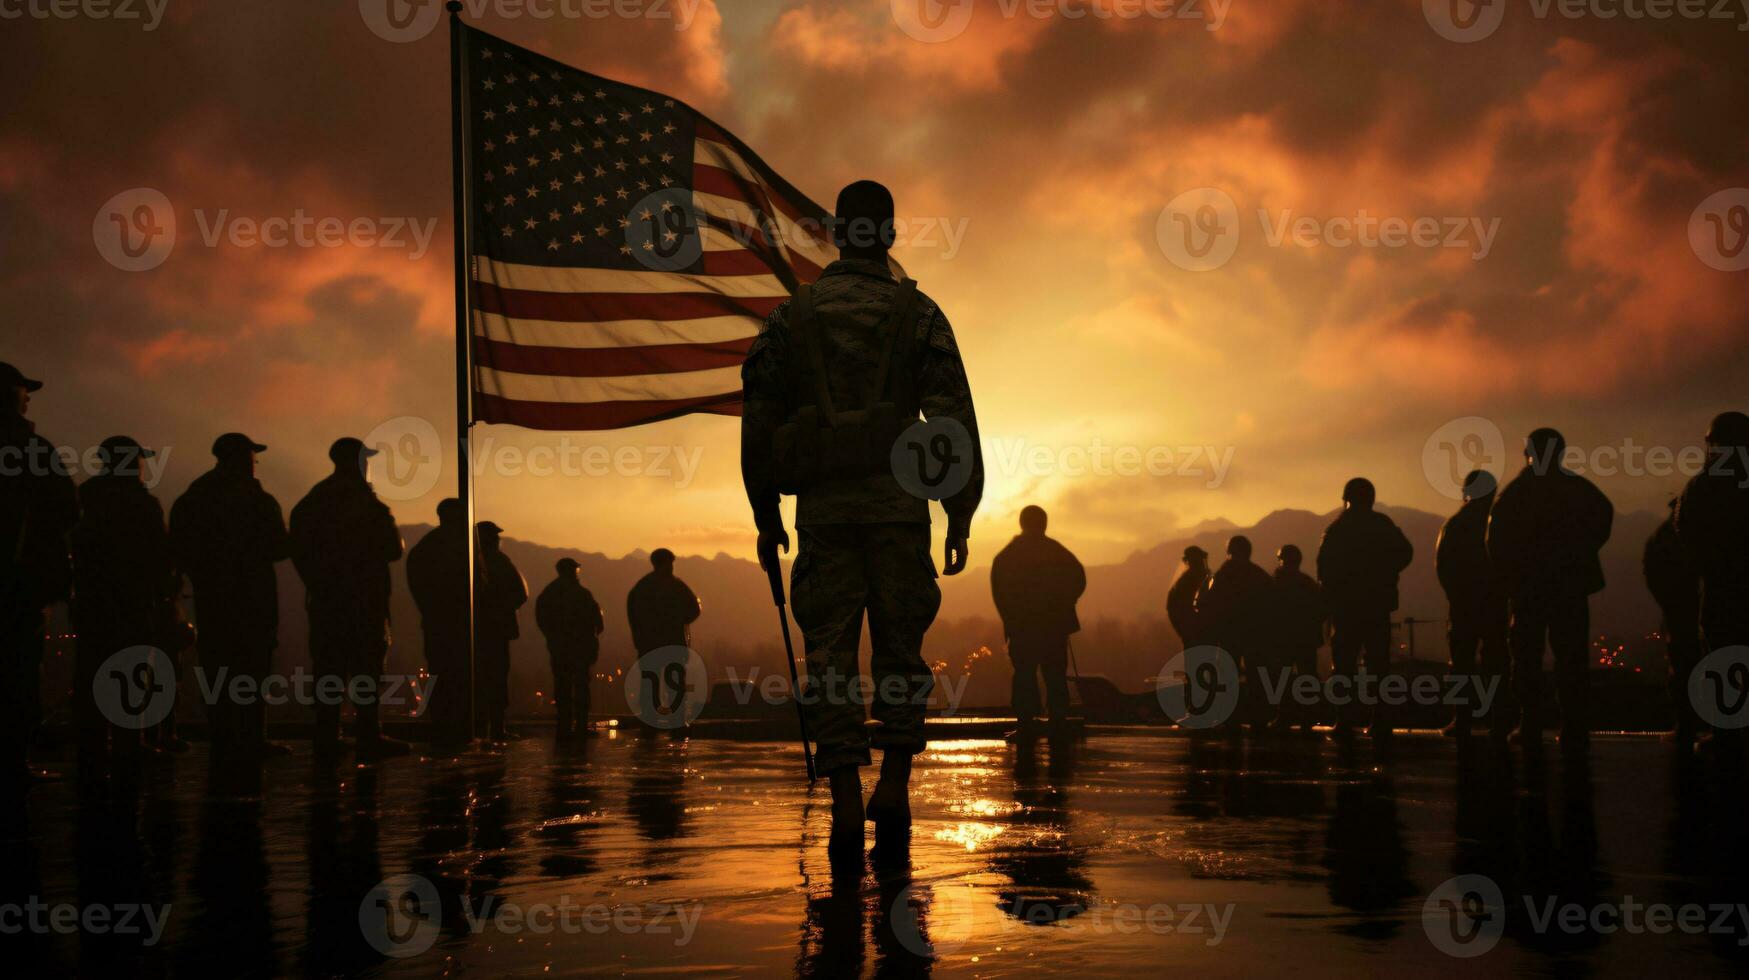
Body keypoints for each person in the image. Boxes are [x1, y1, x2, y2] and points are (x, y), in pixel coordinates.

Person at [740, 179, 983, 855]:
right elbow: (953, 419)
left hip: (823, 513)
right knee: (901, 652)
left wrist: (765, 514)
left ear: (839, 234)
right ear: (890, 236)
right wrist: (959, 513)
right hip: (900, 513)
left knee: (828, 657)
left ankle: (845, 799)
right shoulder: (919, 312)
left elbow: (757, 424)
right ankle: (894, 789)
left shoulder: (794, 317)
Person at [168, 432, 289, 778]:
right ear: (243, 459)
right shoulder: (257, 499)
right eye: (253, 457)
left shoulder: (195, 497)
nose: (256, 464)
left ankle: (223, 739)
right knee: (253, 667)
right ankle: (252, 739)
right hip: (253, 599)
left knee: (219, 667)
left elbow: (179, 547)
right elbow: (280, 547)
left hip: (213, 599)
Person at [1487, 428, 1613, 755]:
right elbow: (1603, 517)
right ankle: (1573, 727)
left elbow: (1495, 540)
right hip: (1569, 587)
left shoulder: (1516, 494)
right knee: (1570, 657)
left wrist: (1513, 574)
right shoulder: (1579, 490)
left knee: (1526, 657)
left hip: (1529, 589)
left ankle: (1530, 724)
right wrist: (1580, 553)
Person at [289, 437, 407, 764]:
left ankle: (327, 736)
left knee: (329, 669)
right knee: (366, 669)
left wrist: (318, 582)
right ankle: (368, 735)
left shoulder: (313, 501)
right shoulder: (365, 502)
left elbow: (296, 548)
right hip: (364, 600)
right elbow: (393, 548)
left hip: (327, 600)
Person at [70, 436, 177, 791]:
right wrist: (164, 594)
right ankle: (129, 749)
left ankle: (92, 752)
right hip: (132, 604)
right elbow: (160, 557)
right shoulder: (142, 505)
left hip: (91, 604)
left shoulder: (85, 498)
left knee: (91, 676)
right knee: (131, 678)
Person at [0, 362, 78, 791]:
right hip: (20, 588)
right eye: (23, 391)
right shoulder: (31, 450)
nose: (29, 397)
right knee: (17, 673)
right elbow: (67, 508)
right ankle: (12, 762)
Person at [1316, 477, 1413, 739]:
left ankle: (1344, 722)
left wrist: (1328, 604)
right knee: (1379, 666)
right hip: (1376, 606)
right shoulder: (1382, 525)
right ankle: (1380, 721)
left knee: (1344, 665)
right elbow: (1405, 552)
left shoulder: (1337, 529)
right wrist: (1385, 572)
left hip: (1346, 609)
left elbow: (1324, 571)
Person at [1674, 411, 1749, 744]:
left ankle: (1727, 734)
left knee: (1723, 658)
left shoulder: (1704, 485)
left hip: (1721, 588)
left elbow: (1684, 531)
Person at [989, 506, 1085, 736]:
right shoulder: (1056, 552)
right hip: (1053, 628)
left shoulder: (1008, 555)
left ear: (1022, 524)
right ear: (1043, 524)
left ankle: (1026, 724)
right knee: (1055, 676)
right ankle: (1058, 722)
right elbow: (1079, 578)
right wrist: (1064, 602)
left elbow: (1000, 592)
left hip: (1023, 629)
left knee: (1024, 675)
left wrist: (1010, 619)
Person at [1435, 470, 1509, 740]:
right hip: (1495, 604)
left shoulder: (1455, 525)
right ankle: (1500, 719)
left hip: (1464, 605)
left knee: (1461, 665)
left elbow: (1442, 566)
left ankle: (1462, 719)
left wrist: (1456, 595)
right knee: (1498, 663)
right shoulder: (1501, 524)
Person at [406, 497, 470, 747]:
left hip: (437, 622)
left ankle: (444, 726)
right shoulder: (457, 548)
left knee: (442, 674)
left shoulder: (426, 547)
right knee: (452, 675)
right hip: (450, 623)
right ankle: (451, 729)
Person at [1198, 535, 1273, 728]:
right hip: (1255, 633)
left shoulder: (1223, 574)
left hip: (1229, 633)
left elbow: (1208, 603)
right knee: (1256, 674)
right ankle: (1260, 715)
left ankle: (1228, 715)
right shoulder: (1259, 575)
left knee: (1227, 673)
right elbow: (1272, 604)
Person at [1645, 497, 1702, 748]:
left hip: (1681, 611)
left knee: (1683, 667)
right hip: (1692, 609)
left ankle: (1688, 726)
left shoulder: (1669, 535)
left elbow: (1654, 568)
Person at [535, 557, 604, 740]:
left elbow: (542, 619)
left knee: (563, 685)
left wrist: (553, 637)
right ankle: (580, 725)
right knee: (580, 686)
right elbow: (598, 622)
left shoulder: (549, 594)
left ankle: (564, 726)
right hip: (581, 649)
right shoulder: (582, 594)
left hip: (560, 648)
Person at [474, 520, 526, 742]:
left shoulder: (469, 561)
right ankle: (495, 729)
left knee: (480, 680)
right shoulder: (498, 561)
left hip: (476, 631)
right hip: (496, 631)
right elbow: (520, 592)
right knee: (495, 679)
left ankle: (481, 728)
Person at [1269, 544, 1325, 732]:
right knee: (1307, 677)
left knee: (1281, 678)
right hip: (1305, 639)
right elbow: (1320, 611)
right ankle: (1308, 717)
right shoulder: (1308, 584)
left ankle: (1283, 716)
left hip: (1282, 639)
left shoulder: (1274, 584)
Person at [1166, 545, 1211, 650]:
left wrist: (1183, 632)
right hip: (1201, 637)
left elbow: (1171, 608)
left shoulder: (1182, 583)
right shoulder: (1186, 583)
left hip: (1196, 637)